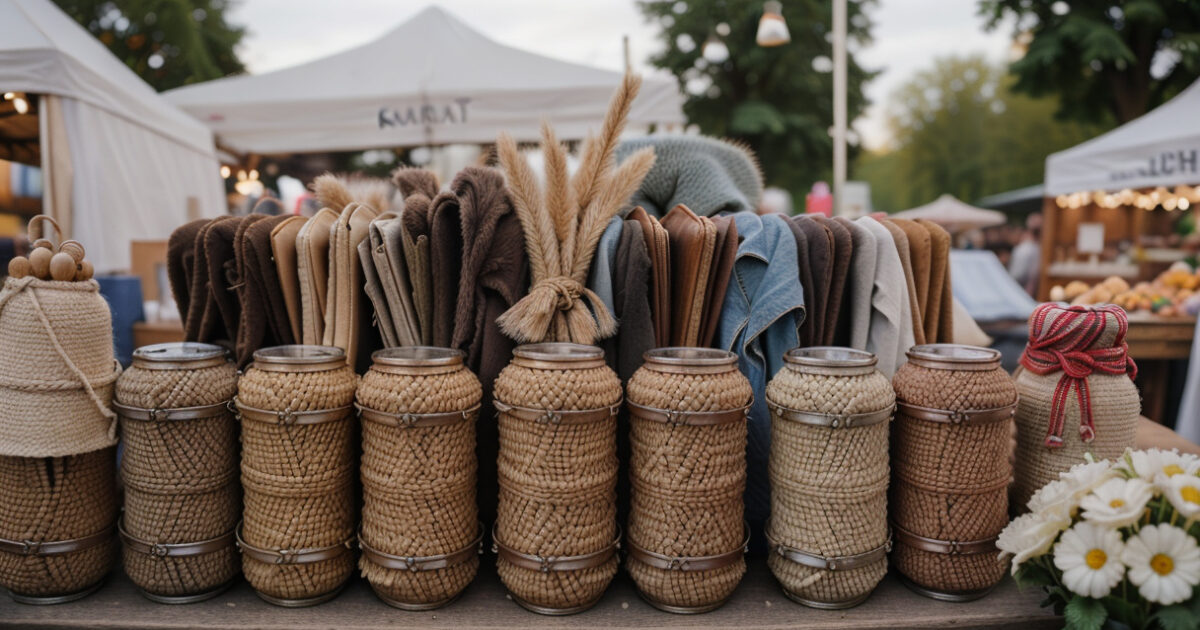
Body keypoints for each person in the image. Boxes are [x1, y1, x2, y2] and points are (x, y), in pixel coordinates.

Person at [1009, 212, 1042, 297]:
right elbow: (1017, 275)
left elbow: (1016, 274)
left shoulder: (1023, 249)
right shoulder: (1025, 249)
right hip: (1023, 293)